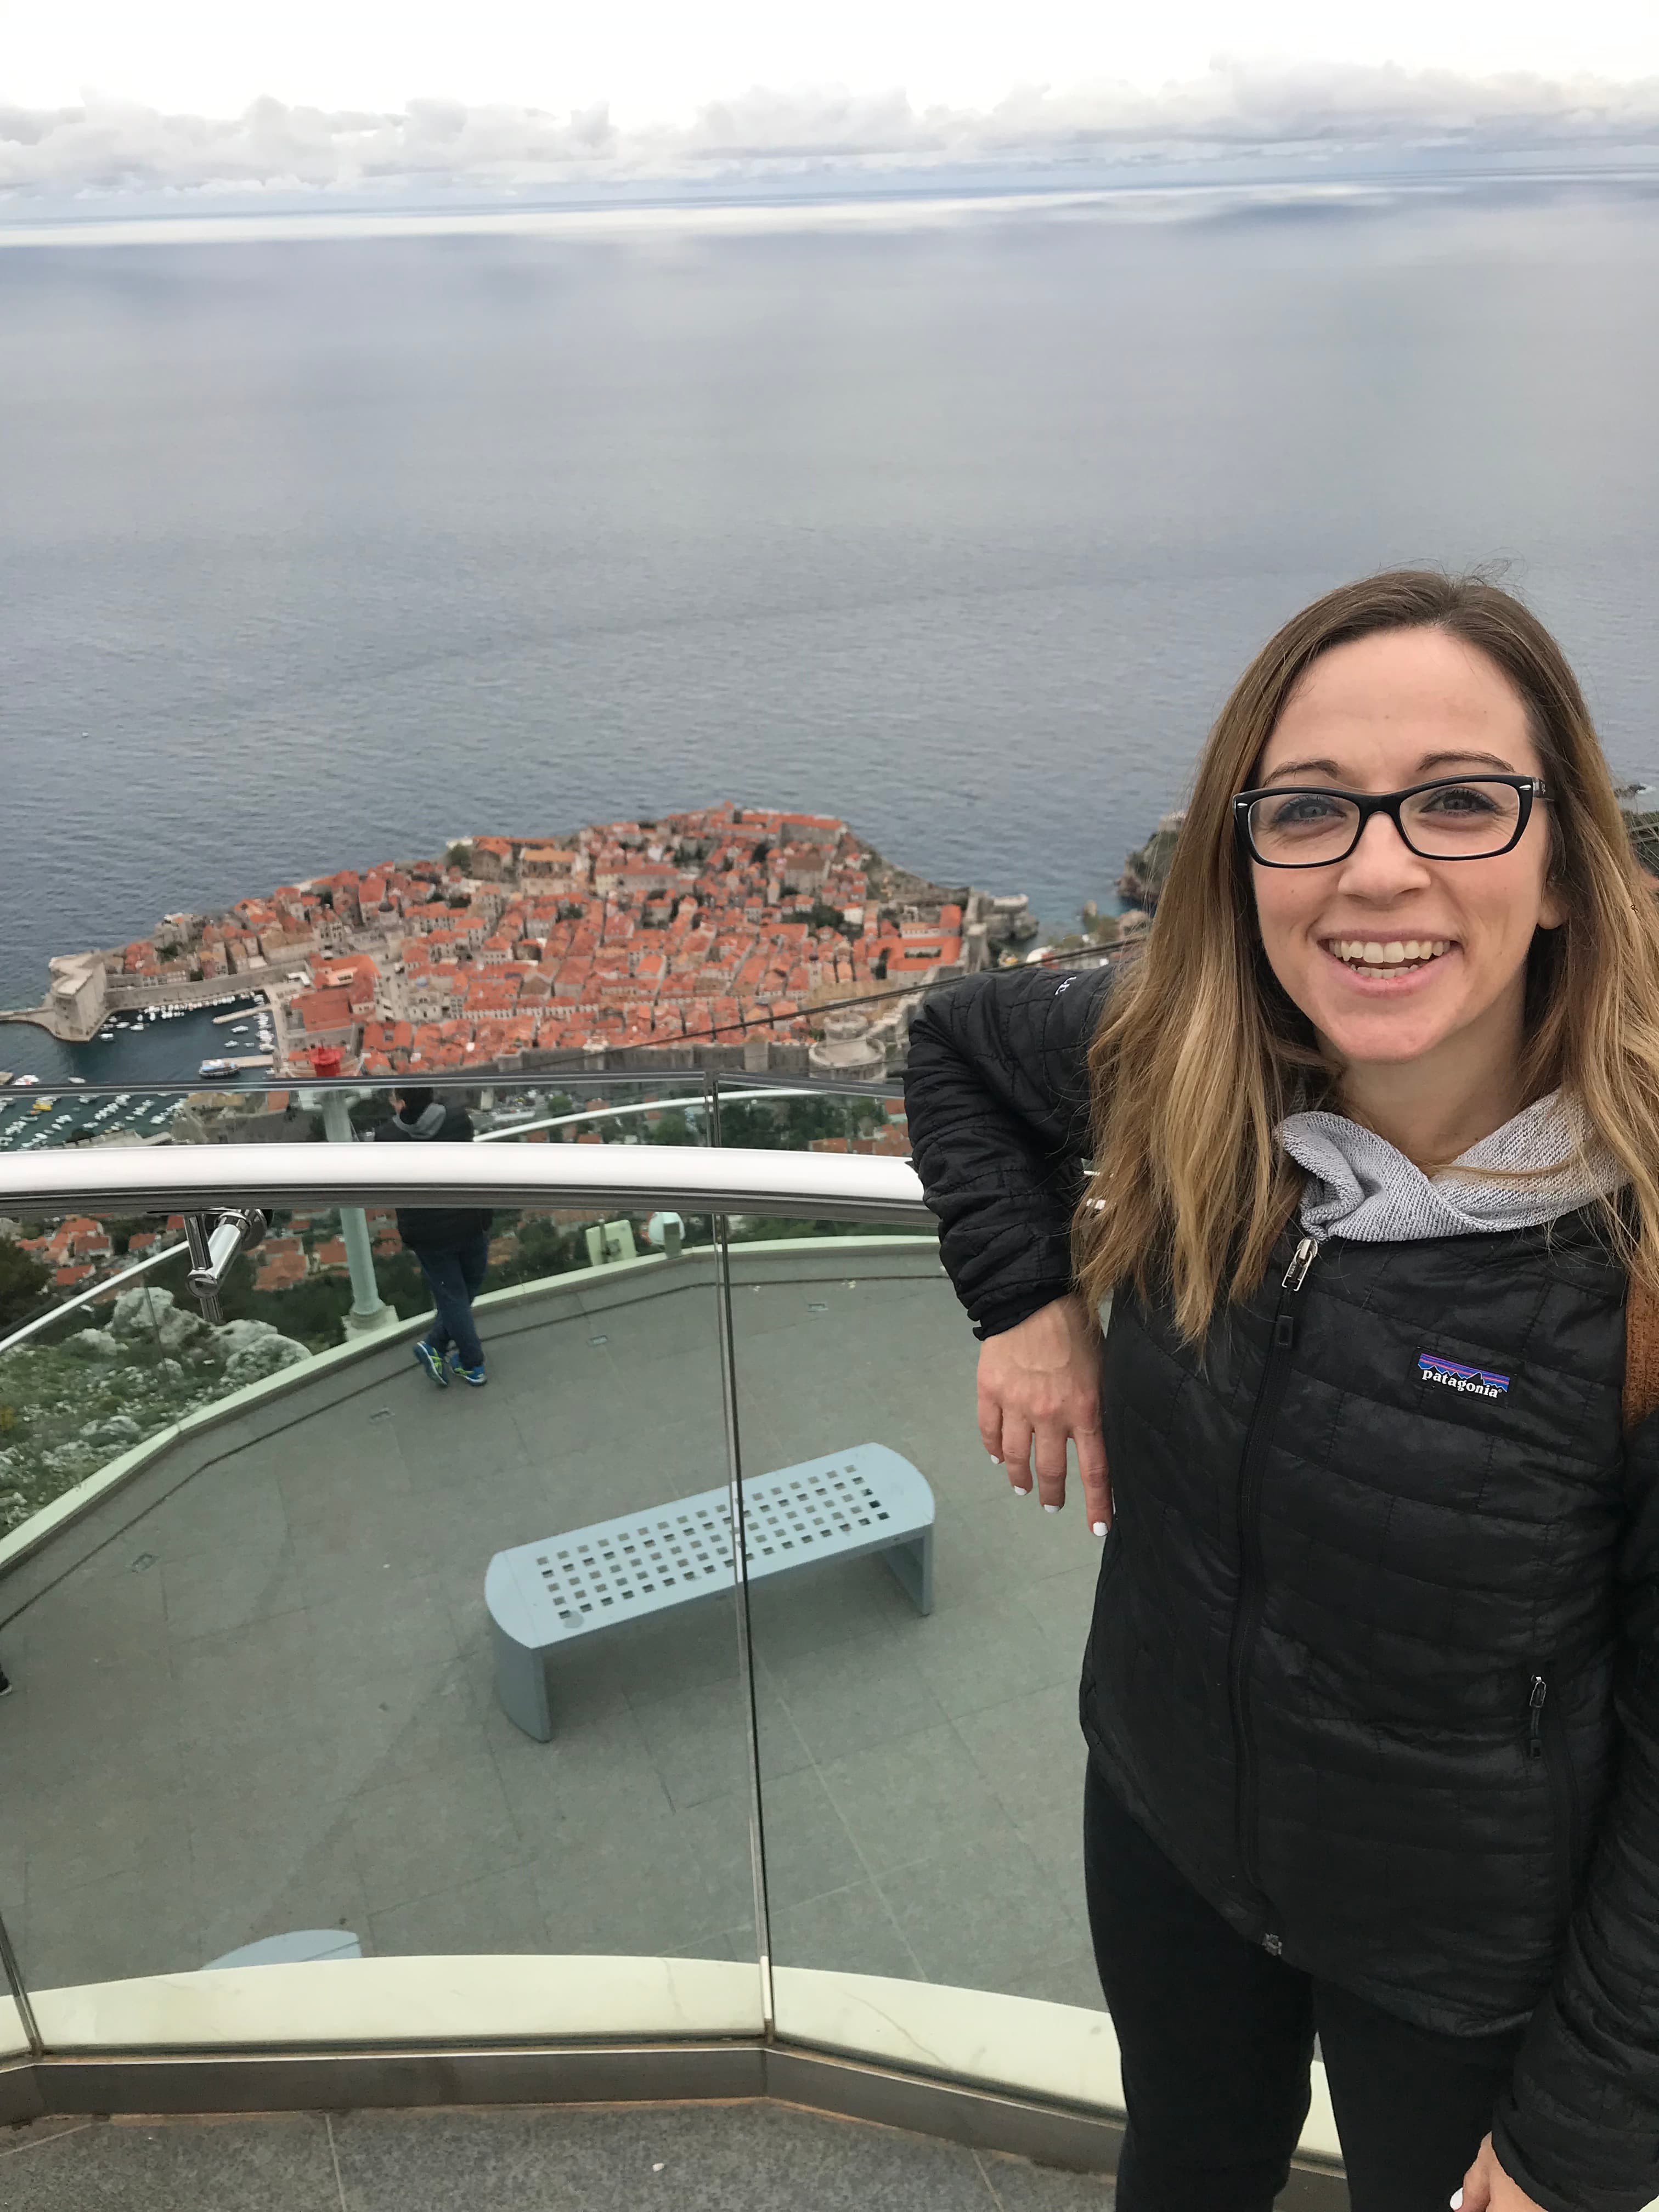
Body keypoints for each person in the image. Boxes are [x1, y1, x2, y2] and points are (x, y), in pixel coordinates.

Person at [904, 572, 1659, 2212]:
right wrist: (1027, 1305)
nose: (1378, 865)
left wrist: (1585, 2129)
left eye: (1461, 802)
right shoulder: (1193, 1067)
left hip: (1468, 1951)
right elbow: (955, 1044)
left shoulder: (1643, 1247)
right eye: (1310, 810)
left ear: (1564, 873)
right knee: (1181, 2166)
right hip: (1171, 1813)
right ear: (1243, 864)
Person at [376, 1086, 493, 1387]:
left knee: (454, 1297)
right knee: (466, 1287)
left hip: (426, 1232)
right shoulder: (457, 1120)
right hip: (469, 1216)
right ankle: (468, 1360)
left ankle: (444, 1349)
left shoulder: (387, 1138)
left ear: (401, 1103)